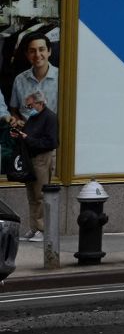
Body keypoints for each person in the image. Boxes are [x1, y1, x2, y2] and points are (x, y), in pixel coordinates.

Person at [9, 90, 58, 241]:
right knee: (32, 195)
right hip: (31, 158)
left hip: (42, 159)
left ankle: (42, 229)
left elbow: (51, 142)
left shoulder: (50, 117)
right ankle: (34, 228)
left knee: (40, 195)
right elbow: (28, 135)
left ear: (39, 103)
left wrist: (27, 138)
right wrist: (19, 135)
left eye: (30, 105)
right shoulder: (34, 117)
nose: (28, 109)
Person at [7, 31, 57, 123]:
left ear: (49, 51)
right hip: (26, 133)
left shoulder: (61, 79)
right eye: (32, 51)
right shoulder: (19, 80)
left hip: (53, 134)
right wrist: (17, 120)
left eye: (41, 49)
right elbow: (13, 110)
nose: (37, 55)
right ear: (26, 54)